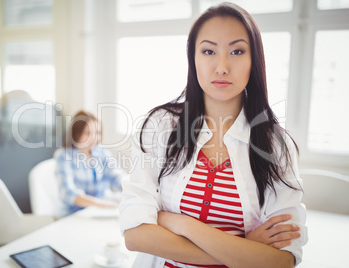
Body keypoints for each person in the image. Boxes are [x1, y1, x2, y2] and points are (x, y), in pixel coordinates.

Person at [119, 2, 308, 268]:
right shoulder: (162, 125)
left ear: (254, 60)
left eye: (237, 51)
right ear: (192, 58)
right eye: (208, 51)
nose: (221, 67)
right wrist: (244, 249)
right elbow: (136, 234)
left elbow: (281, 260)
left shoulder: (276, 144)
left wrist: (181, 223)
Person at [54, 110, 125, 216]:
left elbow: (117, 176)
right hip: (74, 215)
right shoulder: (64, 155)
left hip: (98, 213)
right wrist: (103, 205)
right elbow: (68, 193)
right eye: (88, 133)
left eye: (98, 133)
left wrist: (130, 190)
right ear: (77, 133)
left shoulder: (102, 152)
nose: (94, 138)